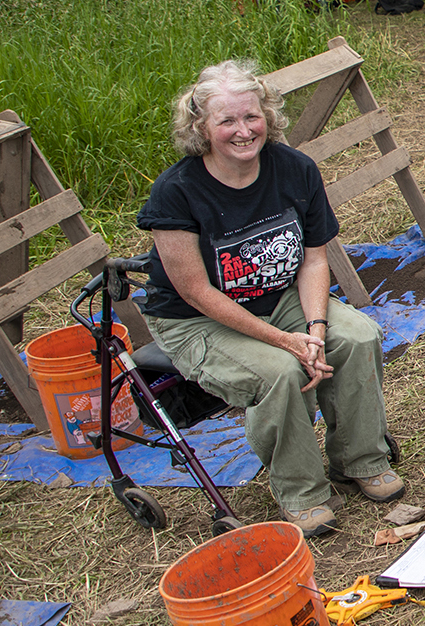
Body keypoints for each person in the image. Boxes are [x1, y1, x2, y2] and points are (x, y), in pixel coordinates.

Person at [137, 59, 401, 537]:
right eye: (227, 121)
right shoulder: (174, 194)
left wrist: (315, 331)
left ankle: (361, 459)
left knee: (358, 336)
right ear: (201, 128)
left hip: (278, 296)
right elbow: (195, 292)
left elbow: (314, 260)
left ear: (269, 116)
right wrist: (285, 341)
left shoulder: (294, 169)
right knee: (280, 370)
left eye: (251, 116)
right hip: (198, 319)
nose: (243, 131)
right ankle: (302, 491)